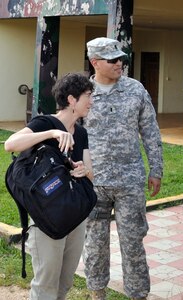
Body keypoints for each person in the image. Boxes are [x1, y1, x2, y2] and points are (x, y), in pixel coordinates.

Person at [82, 37, 163, 300]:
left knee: (133, 243)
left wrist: (156, 169)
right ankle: (97, 293)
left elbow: (150, 131)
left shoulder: (135, 89)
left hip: (130, 181)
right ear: (95, 63)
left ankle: (138, 295)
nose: (120, 63)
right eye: (113, 60)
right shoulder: (82, 93)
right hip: (93, 182)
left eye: (121, 58)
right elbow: (71, 133)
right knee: (95, 244)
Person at [4, 73, 94, 300]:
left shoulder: (81, 133)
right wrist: (52, 133)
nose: (92, 101)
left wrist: (82, 171)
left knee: (64, 282)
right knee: (46, 284)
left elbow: (91, 174)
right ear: (72, 100)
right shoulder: (45, 123)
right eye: (88, 96)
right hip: (47, 215)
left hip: (74, 214)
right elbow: (10, 144)